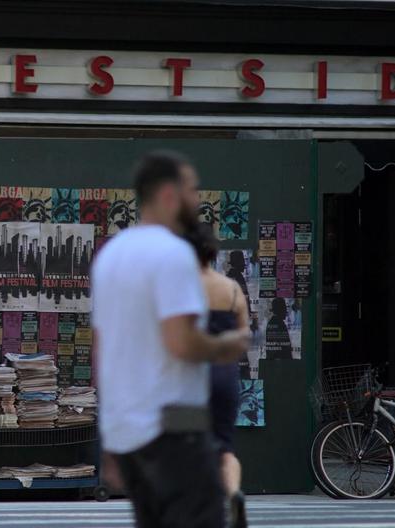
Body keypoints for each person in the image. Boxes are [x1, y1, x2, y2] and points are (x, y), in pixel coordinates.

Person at [91, 150, 249, 528]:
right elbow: (181, 342)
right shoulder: (174, 254)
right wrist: (225, 346)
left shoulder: (111, 255)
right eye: (192, 189)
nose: (197, 199)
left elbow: (102, 351)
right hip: (174, 425)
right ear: (168, 195)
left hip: (128, 431)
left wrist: (109, 439)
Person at [186, 223, 249, 528]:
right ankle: (233, 493)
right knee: (224, 447)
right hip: (224, 375)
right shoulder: (232, 289)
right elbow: (243, 337)